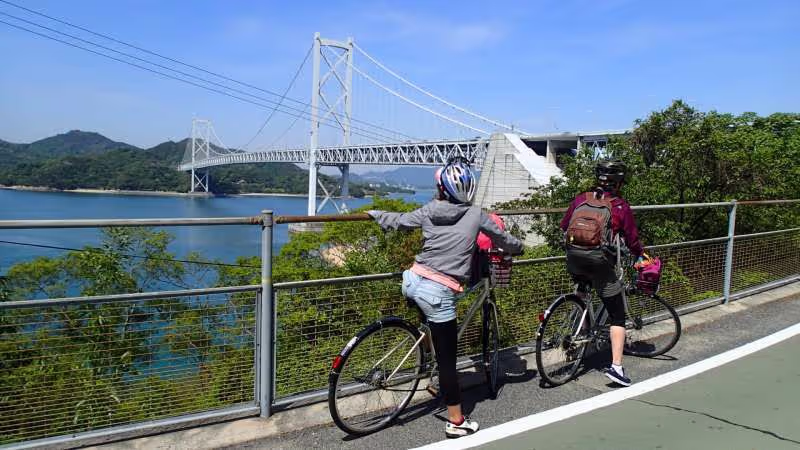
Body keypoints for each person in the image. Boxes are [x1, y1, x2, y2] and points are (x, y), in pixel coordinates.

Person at [367, 160, 523, 438]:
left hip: (412, 280)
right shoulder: (475, 215)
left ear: (441, 188)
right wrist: (518, 247)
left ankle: (426, 360)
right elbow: (502, 237)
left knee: (432, 329)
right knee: (449, 362)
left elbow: (400, 222)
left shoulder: (428, 210)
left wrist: (375, 213)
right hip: (438, 292)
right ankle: (456, 421)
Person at [560, 159, 648, 387]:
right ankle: (617, 368)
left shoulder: (581, 198)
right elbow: (632, 239)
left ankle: (582, 335)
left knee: (582, 290)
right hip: (599, 260)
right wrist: (640, 255)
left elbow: (564, 225)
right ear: (619, 183)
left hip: (573, 256)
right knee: (617, 314)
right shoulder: (619, 205)